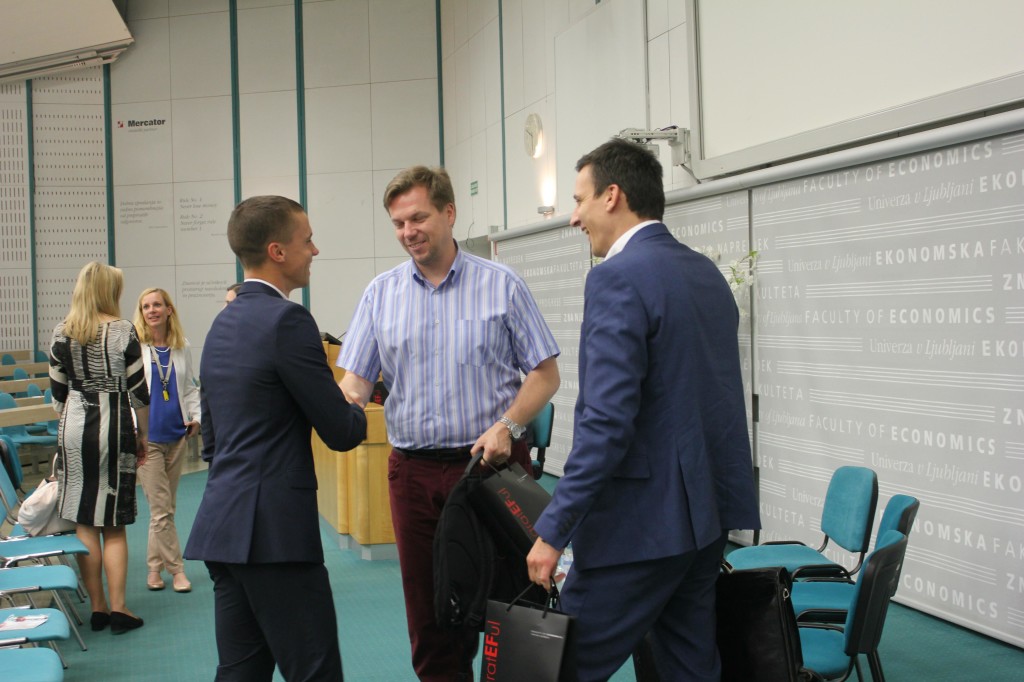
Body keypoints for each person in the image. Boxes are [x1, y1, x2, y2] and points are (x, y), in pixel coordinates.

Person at [526, 139, 761, 682]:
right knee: (689, 666)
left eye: (579, 200)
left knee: (558, 668)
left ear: (612, 196)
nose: (573, 217)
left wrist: (554, 529)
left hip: (639, 528)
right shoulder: (705, 274)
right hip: (705, 520)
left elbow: (606, 423)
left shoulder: (616, 277)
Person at [339, 165, 560, 682]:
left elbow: (545, 375)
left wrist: (509, 424)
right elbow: (355, 385)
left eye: (418, 218)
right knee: (432, 611)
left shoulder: (502, 285)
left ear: (450, 212)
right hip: (413, 476)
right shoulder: (380, 294)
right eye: (398, 223)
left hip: (493, 471)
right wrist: (323, 403)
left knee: (515, 601)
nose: (408, 232)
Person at [183, 196, 367, 681]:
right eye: (307, 240)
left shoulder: (221, 324)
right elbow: (341, 432)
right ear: (277, 251)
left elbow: (212, 441)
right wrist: (354, 399)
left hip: (223, 526)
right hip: (274, 536)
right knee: (315, 671)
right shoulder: (289, 320)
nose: (315, 250)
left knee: (241, 672)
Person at [49, 261, 150, 635]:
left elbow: (57, 396)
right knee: (114, 523)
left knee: (85, 520)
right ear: (109, 291)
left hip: (74, 428)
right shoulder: (123, 330)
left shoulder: (62, 332)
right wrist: (142, 435)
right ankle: (121, 609)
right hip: (114, 428)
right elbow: (140, 393)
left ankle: (98, 608)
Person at [133, 287, 200, 594]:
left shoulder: (181, 346)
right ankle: (177, 570)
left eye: (157, 305)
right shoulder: (135, 349)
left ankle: (153, 568)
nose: (152, 310)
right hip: (148, 440)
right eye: (146, 306)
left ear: (169, 310)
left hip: (177, 435)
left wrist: (196, 417)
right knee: (161, 509)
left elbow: (189, 388)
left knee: (165, 508)